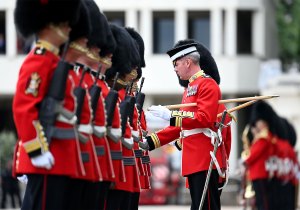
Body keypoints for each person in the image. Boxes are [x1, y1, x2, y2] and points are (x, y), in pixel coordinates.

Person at [12, 0, 81, 209]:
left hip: (58, 158)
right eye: (64, 24)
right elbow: (24, 107)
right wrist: (36, 150)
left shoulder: (53, 60)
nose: (69, 28)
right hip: (45, 155)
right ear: (50, 25)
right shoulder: (40, 60)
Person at [140, 41, 224, 210]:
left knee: (206, 206)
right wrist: (150, 142)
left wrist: (171, 116)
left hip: (204, 157)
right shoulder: (189, 89)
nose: (175, 69)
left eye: (176, 64)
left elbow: (204, 118)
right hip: (193, 159)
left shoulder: (207, 84)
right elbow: (181, 126)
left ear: (188, 62)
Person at [242, 101, 276, 210]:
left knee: (263, 203)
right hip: (257, 174)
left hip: (260, 174)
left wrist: (245, 161)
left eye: (259, 122)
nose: (257, 124)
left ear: (264, 123)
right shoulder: (261, 137)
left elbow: (253, 155)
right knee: (260, 202)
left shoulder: (263, 138)